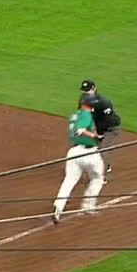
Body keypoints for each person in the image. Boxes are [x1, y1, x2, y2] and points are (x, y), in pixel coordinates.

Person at [52, 94, 105, 224]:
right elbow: (80, 130)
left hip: (74, 152)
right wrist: (95, 136)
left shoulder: (75, 115)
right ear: (88, 104)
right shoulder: (86, 115)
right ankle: (88, 206)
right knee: (97, 177)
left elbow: (76, 129)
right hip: (90, 153)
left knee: (69, 180)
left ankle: (58, 206)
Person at [80, 79, 121, 177]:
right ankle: (105, 165)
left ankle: (102, 176)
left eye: (88, 90)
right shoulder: (83, 100)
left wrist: (99, 133)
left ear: (94, 89)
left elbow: (108, 120)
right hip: (99, 127)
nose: (86, 92)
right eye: (84, 90)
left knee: (103, 149)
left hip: (111, 128)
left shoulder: (104, 102)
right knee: (90, 146)